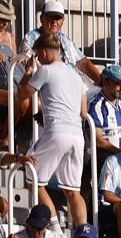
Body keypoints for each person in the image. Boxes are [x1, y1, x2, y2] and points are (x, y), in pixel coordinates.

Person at [15, 32, 89, 224]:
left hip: (57, 131)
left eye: (38, 55)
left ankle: (54, 228)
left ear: (45, 53)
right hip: (77, 136)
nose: (38, 59)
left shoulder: (46, 70)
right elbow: (83, 111)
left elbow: (22, 93)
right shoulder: (76, 75)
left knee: (31, 176)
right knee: (73, 191)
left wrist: (29, 72)